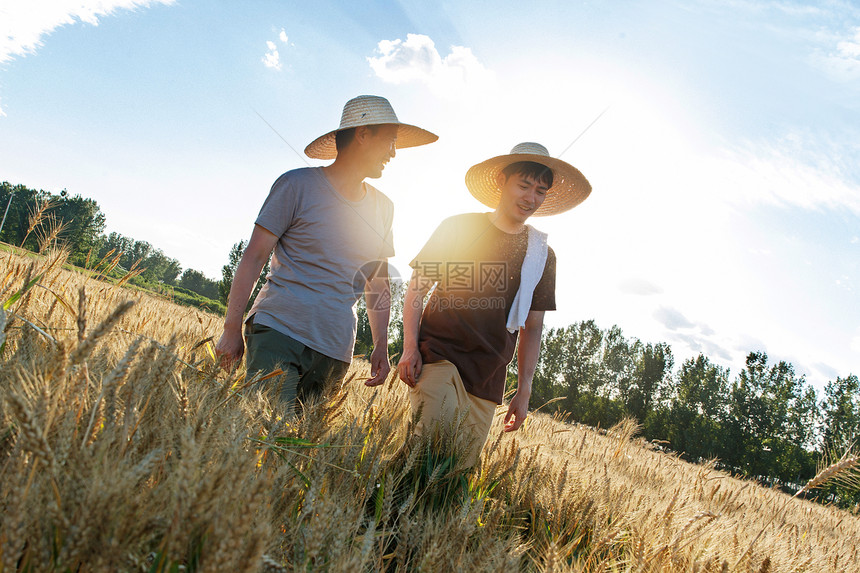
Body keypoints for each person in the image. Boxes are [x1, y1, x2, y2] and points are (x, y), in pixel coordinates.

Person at [215, 95, 437, 414]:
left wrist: (380, 346)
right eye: (390, 141)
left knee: (301, 453)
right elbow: (253, 257)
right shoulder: (296, 185)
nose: (393, 153)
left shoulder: (383, 208)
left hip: (334, 351)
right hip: (279, 330)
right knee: (264, 436)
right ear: (362, 135)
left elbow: (377, 283)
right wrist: (230, 329)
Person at [397, 142, 591, 467]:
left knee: (453, 474)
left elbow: (534, 326)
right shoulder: (459, 227)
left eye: (540, 191)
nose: (531, 198)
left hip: (489, 378)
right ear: (503, 181)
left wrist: (524, 388)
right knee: (420, 455)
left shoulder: (541, 255)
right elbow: (417, 288)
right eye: (524, 185)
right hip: (440, 357)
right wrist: (409, 347)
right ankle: (374, 517)